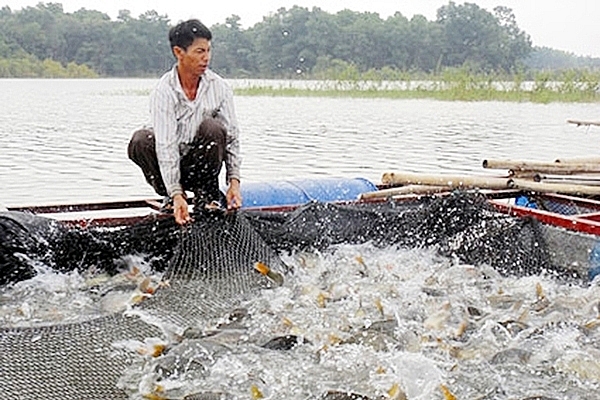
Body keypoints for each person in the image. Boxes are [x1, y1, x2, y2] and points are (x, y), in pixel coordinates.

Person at [128, 19, 242, 225]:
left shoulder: (219, 87)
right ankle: (170, 197)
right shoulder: (164, 91)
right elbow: (166, 145)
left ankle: (207, 196)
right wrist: (175, 193)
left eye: (208, 50)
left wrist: (234, 181)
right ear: (179, 52)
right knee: (140, 140)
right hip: (170, 166)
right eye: (199, 52)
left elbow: (232, 138)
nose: (206, 58)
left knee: (214, 128)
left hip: (202, 165)